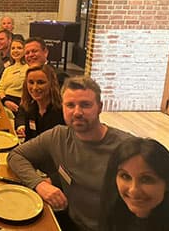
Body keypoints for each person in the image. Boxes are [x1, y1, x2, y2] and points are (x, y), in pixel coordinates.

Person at [7, 76, 134, 231]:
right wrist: (39, 184)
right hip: (69, 223)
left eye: (85, 105)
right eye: (70, 105)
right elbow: (15, 156)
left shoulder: (127, 148)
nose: (77, 112)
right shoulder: (58, 136)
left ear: (100, 107)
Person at [99, 137, 169, 231]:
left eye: (146, 179)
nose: (133, 190)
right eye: (125, 176)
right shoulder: (114, 215)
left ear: (168, 184)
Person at [14, 65, 65, 141]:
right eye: (31, 82)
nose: (35, 87)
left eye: (40, 82)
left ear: (51, 84)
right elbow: (28, 140)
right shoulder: (30, 109)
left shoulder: (62, 113)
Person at [0, 39, 29, 115]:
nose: (15, 51)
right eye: (13, 48)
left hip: (18, 104)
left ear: (25, 51)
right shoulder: (8, 69)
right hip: (4, 100)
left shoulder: (28, 68)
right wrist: (5, 101)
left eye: (19, 48)